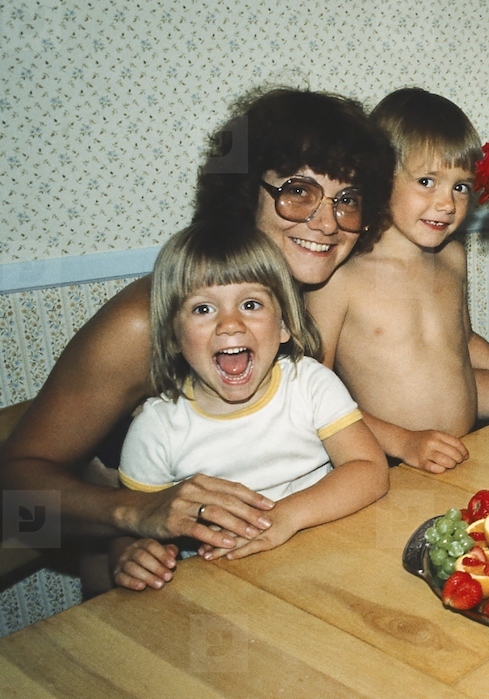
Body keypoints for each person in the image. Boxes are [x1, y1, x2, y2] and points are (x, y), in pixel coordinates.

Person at [0, 88, 394, 593]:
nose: (326, 222)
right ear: (245, 188)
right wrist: (137, 513)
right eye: (298, 190)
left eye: (347, 200)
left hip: (279, 565)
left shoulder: (309, 289)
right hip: (156, 582)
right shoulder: (144, 323)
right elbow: (12, 499)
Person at [113, 222, 388, 590]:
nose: (229, 324)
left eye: (251, 304)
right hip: (223, 591)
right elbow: (131, 523)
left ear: (284, 325)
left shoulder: (308, 384)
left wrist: (287, 517)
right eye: (203, 308)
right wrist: (130, 555)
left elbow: (370, 470)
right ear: (173, 337)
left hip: (326, 563)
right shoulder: (156, 428)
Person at [308, 87, 489, 474]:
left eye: (460, 186)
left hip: (466, 448)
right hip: (394, 462)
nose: (447, 203)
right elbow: (311, 395)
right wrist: (404, 441)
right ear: (380, 177)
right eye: (427, 181)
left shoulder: (452, 256)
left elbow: (462, 342)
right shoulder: (340, 276)